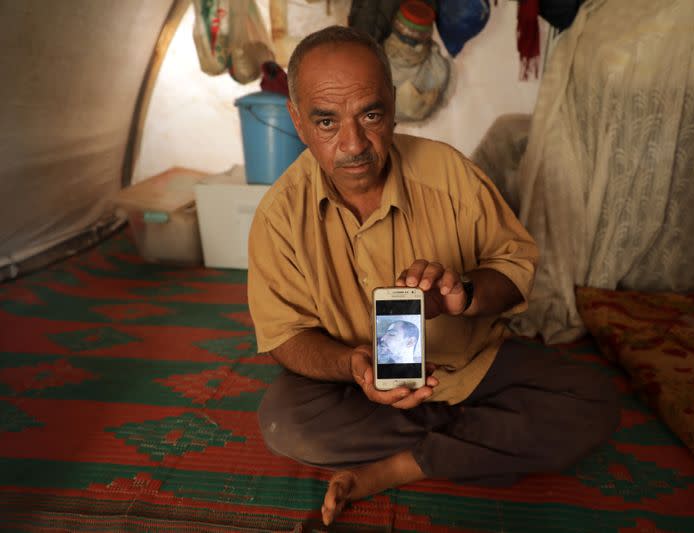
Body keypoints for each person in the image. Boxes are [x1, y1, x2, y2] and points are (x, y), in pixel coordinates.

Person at [247, 25, 619, 526]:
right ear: (297, 120)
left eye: (371, 115)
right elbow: (283, 336)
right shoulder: (279, 216)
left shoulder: (449, 175)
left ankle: (398, 465)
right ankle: (477, 436)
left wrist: (460, 296)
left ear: (395, 106)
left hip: (469, 368)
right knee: (285, 422)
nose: (353, 144)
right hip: (360, 389)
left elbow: (514, 269)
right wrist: (354, 366)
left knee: (593, 402)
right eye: (327, 122)